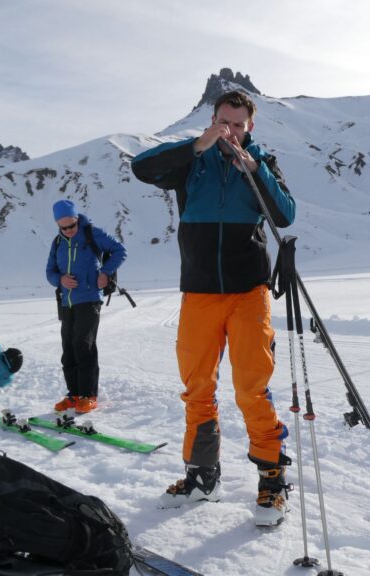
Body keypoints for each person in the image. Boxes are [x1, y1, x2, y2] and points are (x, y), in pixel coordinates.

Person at [130, 90, 296, 526]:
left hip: (248, 292)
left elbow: (284, 215)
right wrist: (196, 145)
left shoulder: (260, 163)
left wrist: (254, 170)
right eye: (225, 122)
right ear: (212, 120)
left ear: (250, 127)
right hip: (200, 292)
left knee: (251, 388)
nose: (231, 131)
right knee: (197, 387)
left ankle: (273, 480)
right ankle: (202, 478)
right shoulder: (191, 160)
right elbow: (142, 167)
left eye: (239, 125)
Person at [46, 200, 126, 415]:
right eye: (64, 227)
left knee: (84, 344)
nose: (69, 230)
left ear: (76, 219)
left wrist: (105, 272)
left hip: (90, 298)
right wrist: (60, 279)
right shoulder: (57, 243)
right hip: (67, 302)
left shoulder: (92, 234)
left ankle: (88, 395)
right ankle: (73, 394)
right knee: (68, 348)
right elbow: (49, 271)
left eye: (72, 225)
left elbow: (119, 250)